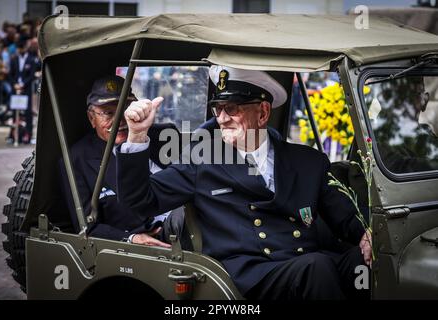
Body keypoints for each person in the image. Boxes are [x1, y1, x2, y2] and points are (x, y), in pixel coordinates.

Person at [116, 66, 372, 300]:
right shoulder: (202, 161)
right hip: (251, 275)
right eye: (218, 109)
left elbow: (346, 218)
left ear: (262, 112)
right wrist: (137, 136)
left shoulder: (308, 161)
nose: (222, 118)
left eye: (233, 108)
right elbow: (141, 202)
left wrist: (367, 235)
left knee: (369, 259)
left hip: (306, 263)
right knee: (317, 267)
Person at [59, 75, 185, 248]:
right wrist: (131, 239)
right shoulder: (77, 159)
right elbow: (86, 227)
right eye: (108, 113)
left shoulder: (164, 136)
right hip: (147, 240)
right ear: (91, 118)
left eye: (124, 109)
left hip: (190, 223)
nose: (119, 120)